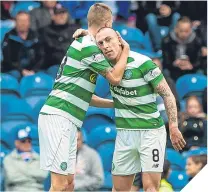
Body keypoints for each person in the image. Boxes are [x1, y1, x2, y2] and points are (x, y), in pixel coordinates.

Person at [38, 3, 129, 192]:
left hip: (69, 119)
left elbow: (87, 97)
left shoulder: (86, 43)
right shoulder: (87, 47)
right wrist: (126, 49)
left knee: (70, 183)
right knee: (60, 185)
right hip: (59, 116)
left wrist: (116, 103)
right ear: (106, 23)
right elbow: (115, 78)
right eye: (111, 24)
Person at [94, 27, 186, 192]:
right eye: (100, 43)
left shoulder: (143, 63)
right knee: (119, 189)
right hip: (124, 134)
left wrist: (173, 126)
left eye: (108, 40)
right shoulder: (103, 65)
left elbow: (167, 94)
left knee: (150, 189)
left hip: (150, 133)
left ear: (119, 39)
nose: (105, 45)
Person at [3, 127, 48, 191]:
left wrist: (22, 172)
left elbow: (43, 175)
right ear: (16, 143)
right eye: (23, 141)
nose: (27, 144)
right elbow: (12, 177)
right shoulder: (8, 159)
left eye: (29, 141)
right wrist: (33, 176)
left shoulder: (38, 158)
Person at [1, 11, 43, 78]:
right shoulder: (9, 36)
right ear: (15, 22)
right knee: (15, 75)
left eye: (25, 21)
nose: (23, 23)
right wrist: (21, 71)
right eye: (20, 21)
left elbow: (41, 57)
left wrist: (34, 71)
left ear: (29, 22)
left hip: (32, 70)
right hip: (13, 70)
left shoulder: (36, 36)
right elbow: (8, 59)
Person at [162, 16, 204, 81]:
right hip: (173, 69)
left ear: (191, 30)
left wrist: (191, 65)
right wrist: (174, 63)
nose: (184, 34)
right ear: (176, 29)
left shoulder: (197, 41)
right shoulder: (167, 41)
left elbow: (199, 60)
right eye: (181, 31)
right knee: (165, 73)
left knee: (200, 73)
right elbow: (166, 60)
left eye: (186, 31)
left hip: (191, 68)